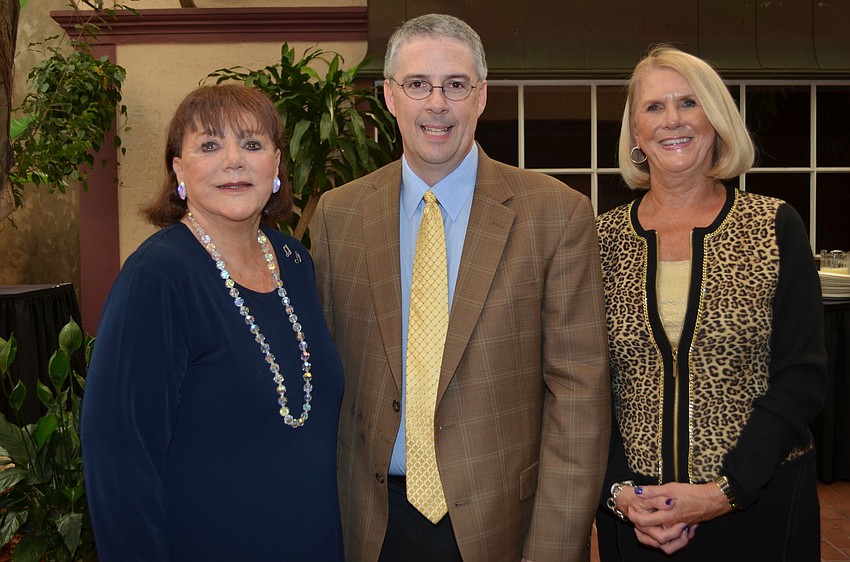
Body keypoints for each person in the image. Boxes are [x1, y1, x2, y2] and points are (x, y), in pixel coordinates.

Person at [310, 13, 610, 562]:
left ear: (482, 96)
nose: (437, 104)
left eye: (455, 85)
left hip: (502, 525)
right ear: (390, 97)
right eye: (418, 85)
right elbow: (326, 379)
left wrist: (552, 549)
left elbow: (579, 398)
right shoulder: (338, 216)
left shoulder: (556, 215)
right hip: (369, 526)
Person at [81, 85, 344, 561]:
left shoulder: (295, 261)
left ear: (277, 164)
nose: (234, 161)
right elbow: (119, 461)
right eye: (209, 145)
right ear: (179, 170)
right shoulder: (157, 278)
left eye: (252, 143)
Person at [595, 45, 827, 561]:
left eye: (689, 103)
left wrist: (727, 491)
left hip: (757, 507)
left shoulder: (772, 225)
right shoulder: (600, 240)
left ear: (717, 120)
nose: (672, 120)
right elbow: (585, 384)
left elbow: (802, 377)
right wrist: (618, 493)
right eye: (654, 107)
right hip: (638, 516)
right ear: (635, 134)